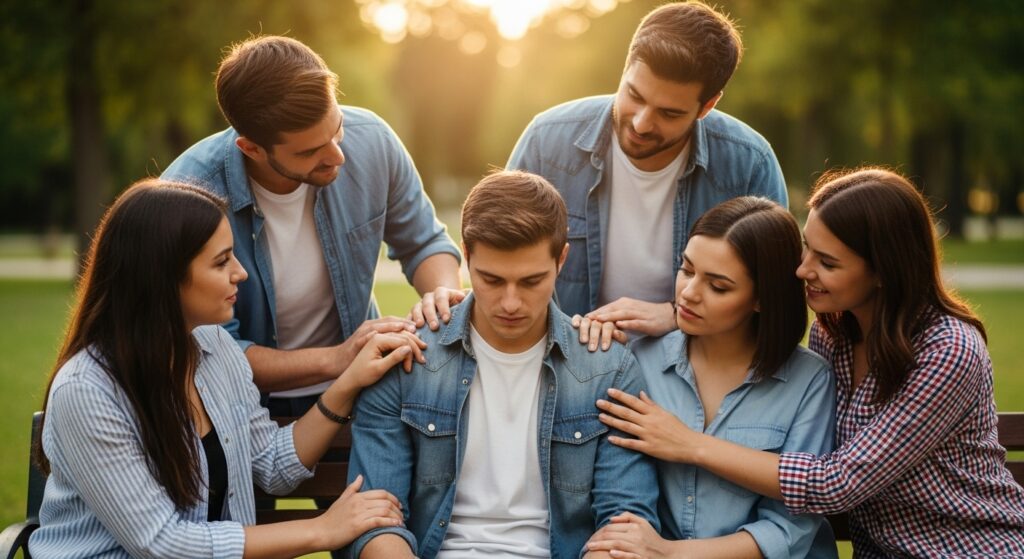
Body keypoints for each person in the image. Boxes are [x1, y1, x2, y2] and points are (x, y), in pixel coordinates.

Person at [598, 169, 1024, 556]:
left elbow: (837, 483)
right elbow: (752, 317)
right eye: (807, 249)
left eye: (828, 262)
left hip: (968, 547)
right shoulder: (834, 333)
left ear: (883, 272)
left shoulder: (949, 350)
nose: (801, 271)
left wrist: (688, 443)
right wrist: (679, 315)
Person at [29, 180, 414, 558]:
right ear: (161, 278)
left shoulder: (213, 345)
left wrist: (349, 380)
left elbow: (274, 466)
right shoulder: (86, 392)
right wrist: (323, 529)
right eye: (221, 261)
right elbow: (162, 544)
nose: (240, 273)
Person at [343, 171, 659, 559]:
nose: (510, 303)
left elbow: (624, 524)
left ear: (561, 259)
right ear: (466, 255)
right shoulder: (407, 357)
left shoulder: (607, 368)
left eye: (531, 281)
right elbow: (374, 520)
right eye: (491, 279)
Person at [161, 35, 461, 417]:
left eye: (336, 129)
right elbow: (207, 349)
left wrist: (443, 295)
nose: (337, 156)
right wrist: (337, 359)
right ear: (251, 148)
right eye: (309, 151)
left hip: (361, 394)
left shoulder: (373, 141)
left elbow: (424, 242)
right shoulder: (187, 195)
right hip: (237, 408)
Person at [505, 1, 787, 343]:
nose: (641, 123)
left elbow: (775, 301)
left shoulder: (749, 163)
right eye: (634, 95)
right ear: (625, 68)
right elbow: (501, 259)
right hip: (563, 360)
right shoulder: (546, 140)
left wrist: (674, 315)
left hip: (690, 369)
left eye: (668, 114)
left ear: (708, 105)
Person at [585, 197, 837, 558]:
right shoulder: (639, 362)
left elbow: (788, 528)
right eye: (687, 270)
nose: (688, 293)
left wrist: (672, 554)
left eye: (718, 286)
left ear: (762, 299)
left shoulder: (809, 380)